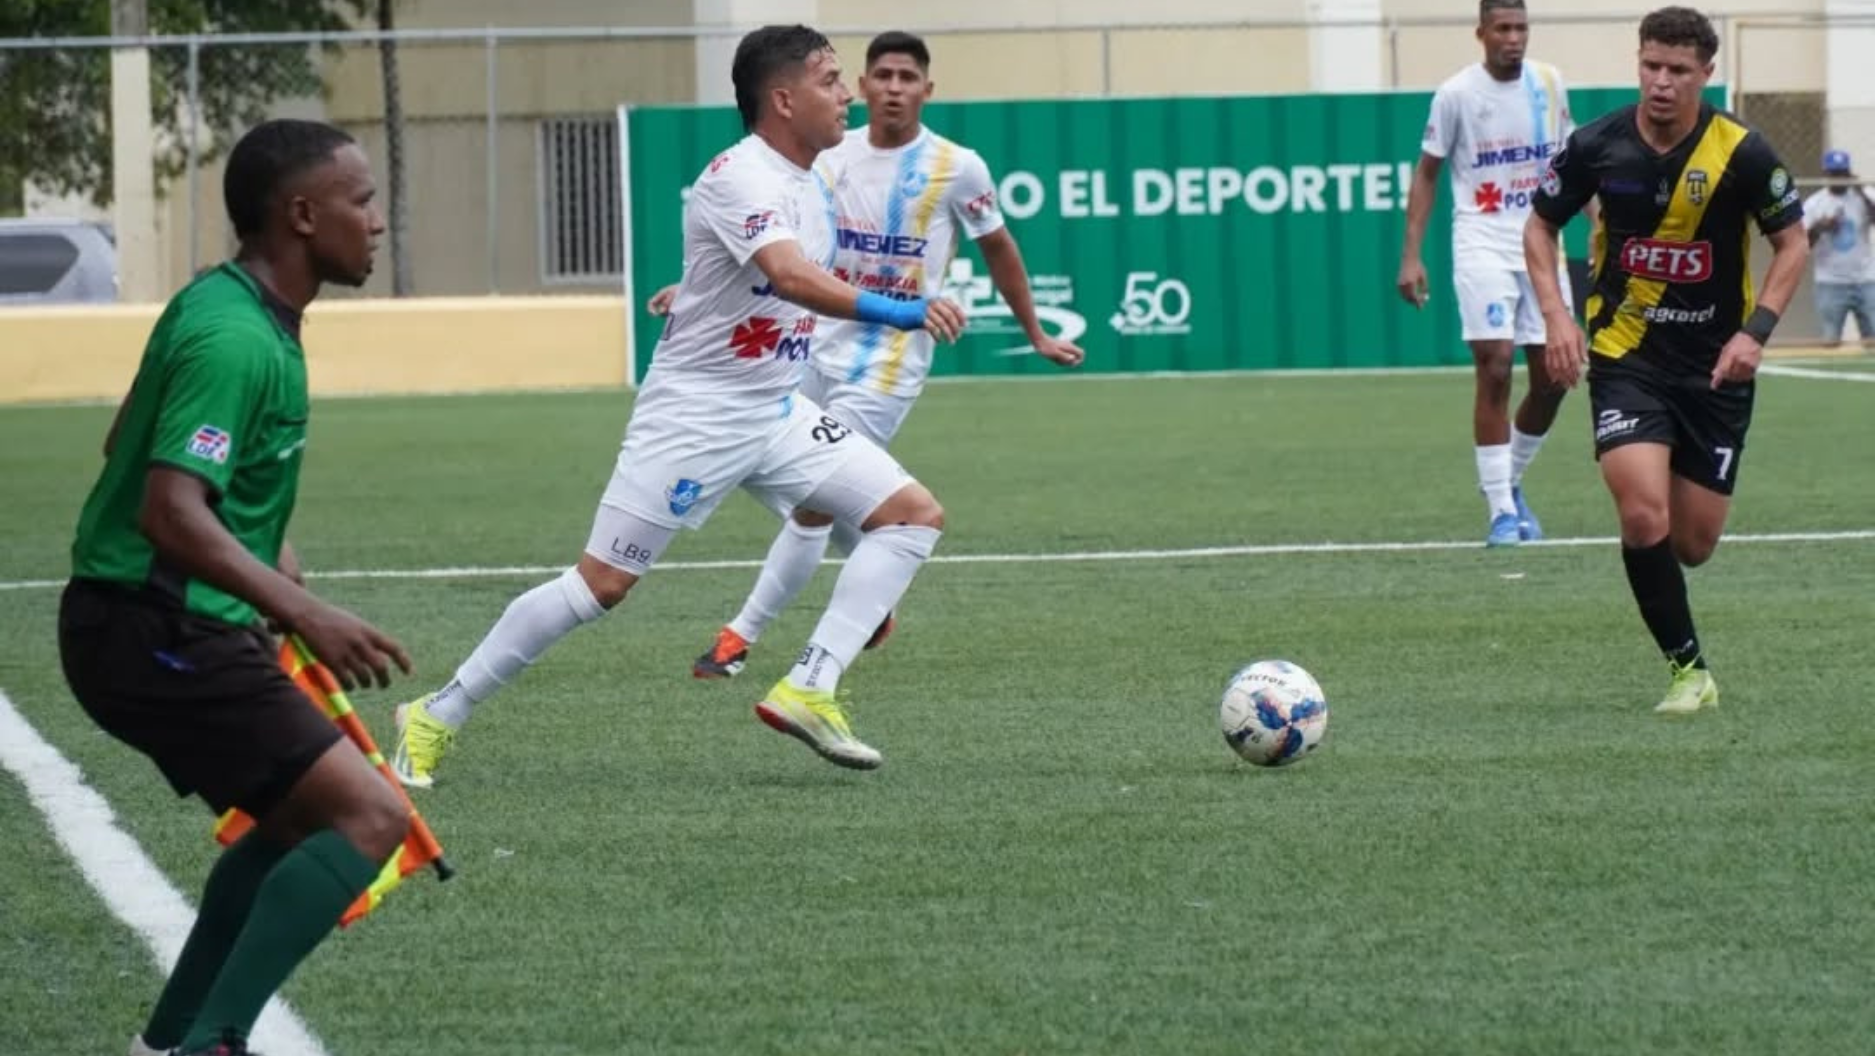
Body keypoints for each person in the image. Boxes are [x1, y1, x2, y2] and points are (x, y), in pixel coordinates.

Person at [390, 24, 965, 784]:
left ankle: (809, 687)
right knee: (600, 586)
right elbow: (790, 276)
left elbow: (761, 274)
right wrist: (901, 311)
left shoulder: (813, 178)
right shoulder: (739, 175)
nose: (848, 94)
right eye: (830, 80)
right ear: (783, 99)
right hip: (696, 414)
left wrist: (697, 290)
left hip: (775, 410)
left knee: (911, 516)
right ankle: (435, 713)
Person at [58, 119, 412, 1056]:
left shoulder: (226, 305)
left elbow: (128, 440)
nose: (377, 220)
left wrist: (263, 548)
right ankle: (213, 1043)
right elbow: (169, 512)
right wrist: (303, 611)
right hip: (153, 631)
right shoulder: (235, 340)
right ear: (302, 215)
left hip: (148, 624)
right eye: (361, 200)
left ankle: (169, 1043)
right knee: (369, 817)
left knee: (299, 822)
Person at [667, 30, 1085, 681]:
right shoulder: (830, 154)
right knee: (768, 468)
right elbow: (774, 240)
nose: (893, 88)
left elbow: (999, 247)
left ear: (927, 90)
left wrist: (1034, 332)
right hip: (809, 342)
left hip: (887, 364)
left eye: (906, 77)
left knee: (812, 500)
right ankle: (874, 569)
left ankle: (736, 639)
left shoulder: (958, 167)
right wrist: (696, 290)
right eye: (881, 76)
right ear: (861, 86)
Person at [1526, 5, 1807, 714]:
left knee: (1692, 543)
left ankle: (1687, 649)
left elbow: (1793, 242)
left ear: (1705, 74)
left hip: (1715, 370)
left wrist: (1755, 333)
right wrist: (1557, 315)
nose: (1660, 81)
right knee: (1642, 515)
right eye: (1650, 65)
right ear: (1638, 62)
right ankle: (1688, 671)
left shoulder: (1742, 153)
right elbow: (1538, 227)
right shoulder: (1596, 146)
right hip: (1626, 359)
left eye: (1677, 70)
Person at [1398, 0, 1584, 547]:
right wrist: (1411, 254)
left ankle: (1510, 480)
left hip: (1542, 242)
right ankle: (1501, 511)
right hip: (1481, 240)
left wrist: (1602, 227)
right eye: (1502, 28)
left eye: (1521, 27)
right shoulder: (1456, 94)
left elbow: (1572, 164)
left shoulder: (1549, 83)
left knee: (1555, 378)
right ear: (1481, 33)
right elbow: (1427, 173)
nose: (1514, 38)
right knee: (1496, 365)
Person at [1801, 149, 1875, 347]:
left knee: (1873, 341)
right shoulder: (1814, 204)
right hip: (1830, 282)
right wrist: (1819, 227)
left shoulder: (1864, 195)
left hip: (1866, 279)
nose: (1839, 178)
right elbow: (1803, 245)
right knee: (1830, 340)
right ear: (1826, 174)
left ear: (1849, 173)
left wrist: (1861, 192)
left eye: (1843, 173)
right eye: (1835, 174)